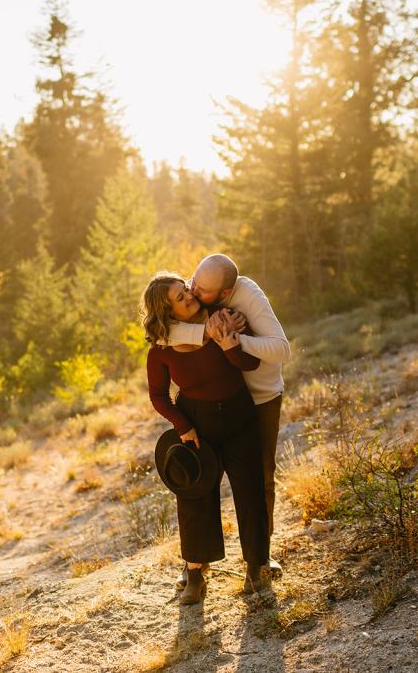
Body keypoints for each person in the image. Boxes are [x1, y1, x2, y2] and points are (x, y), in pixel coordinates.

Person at [142, 272, 270, 604]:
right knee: (195, 497)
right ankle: (196, 575)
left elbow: (250, 362)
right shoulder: (161, 349)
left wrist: (229, 345)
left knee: (250, 491)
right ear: (167, 312)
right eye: (179, 297)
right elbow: (158, 395)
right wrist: (183, 425)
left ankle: (256, 569)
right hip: (197, 424)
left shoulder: (222, 319)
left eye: (185, 289)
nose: (189, 295)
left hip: (240, 416)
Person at [164, 254, 289, 577]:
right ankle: (196, 562)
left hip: (259, 398)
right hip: (214, 402)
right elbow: (162, 333)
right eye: (193, 281)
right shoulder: (194, 296)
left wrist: (233, 340)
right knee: (201, 480)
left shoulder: (248, 295)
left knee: (260, 478)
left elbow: (282, 349)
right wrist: (208, 332)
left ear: (224, 293)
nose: (193, 291)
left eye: (202, 289)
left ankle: (261, 556)